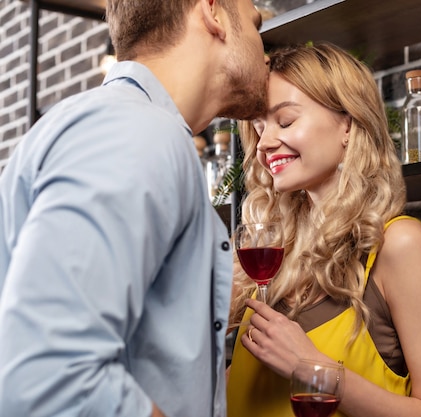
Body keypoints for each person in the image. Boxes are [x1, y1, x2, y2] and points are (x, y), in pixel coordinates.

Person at [0, 0, 268, 416]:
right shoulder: (137, 132)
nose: (263, 49)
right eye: (255, 23)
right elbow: (50, 376)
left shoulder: (107, 123)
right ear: (213, 12)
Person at [226, 42, 421, 417]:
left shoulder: (397, 243)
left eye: (285, 121)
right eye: (258, 127)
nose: (264, 143)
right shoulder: (269, 258)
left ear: (348, 124)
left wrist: (310, 367)